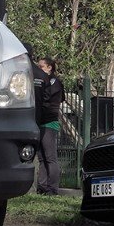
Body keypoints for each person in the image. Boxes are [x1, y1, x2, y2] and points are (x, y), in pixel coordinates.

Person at [33, 56, 64, 196]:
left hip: (49, 123)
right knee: (41, 158)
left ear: (49, 67)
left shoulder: (54, 82)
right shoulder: (45, 81)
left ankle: (52, 188)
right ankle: (42, 187)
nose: (39, 70)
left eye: (41, 67)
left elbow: (47, 99)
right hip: (40, 122)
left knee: (50, 157)